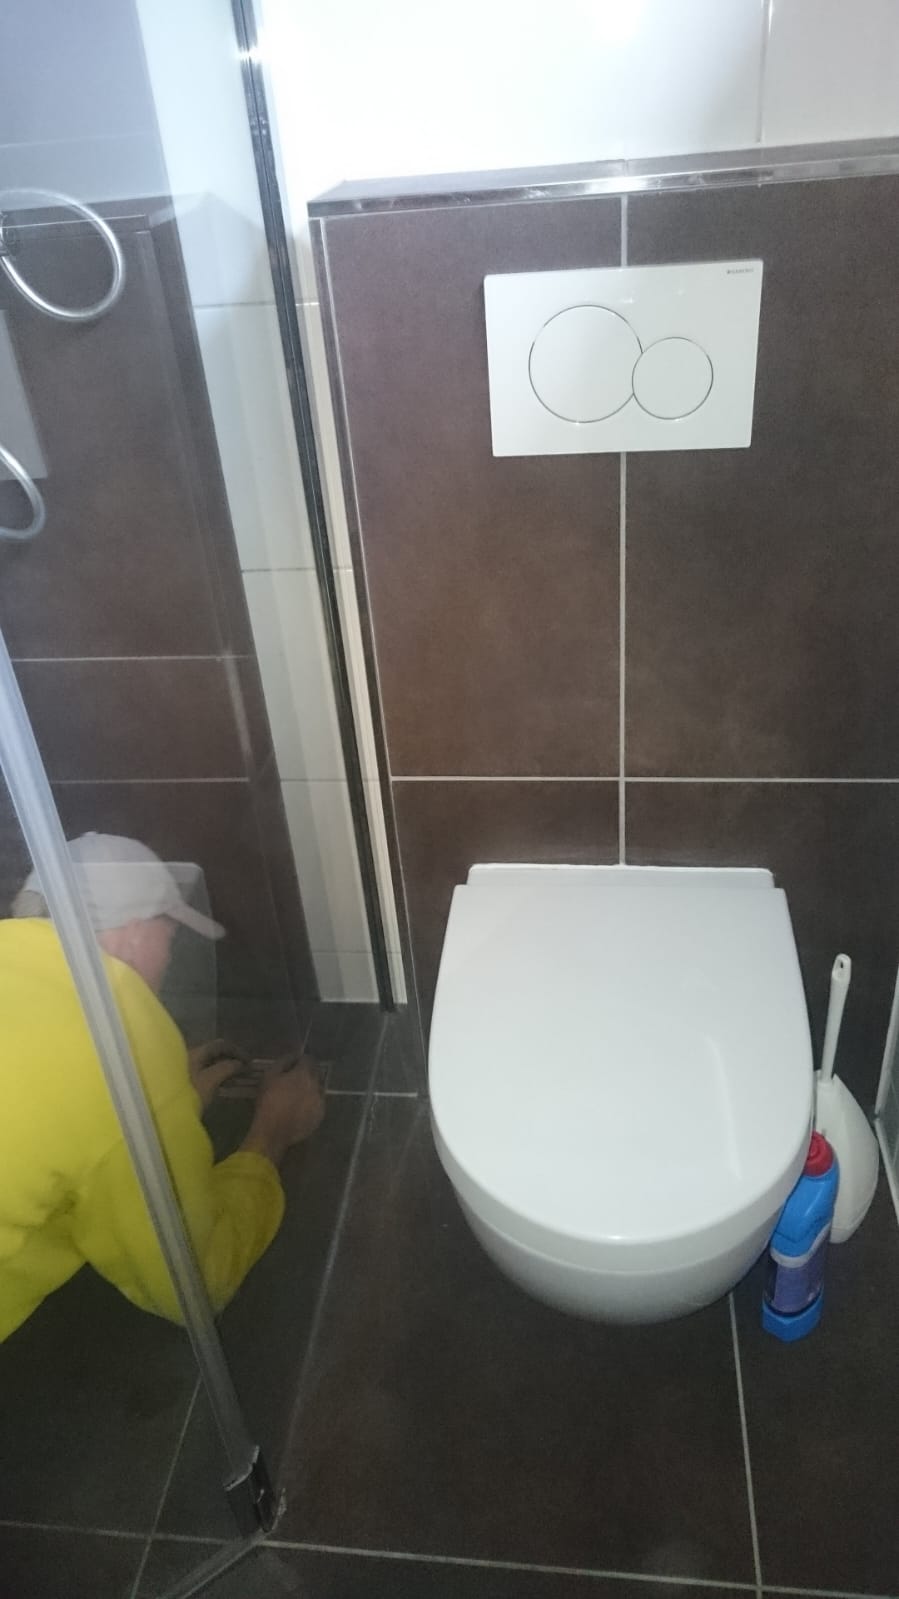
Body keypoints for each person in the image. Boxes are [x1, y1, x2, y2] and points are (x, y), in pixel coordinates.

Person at [0, 832, 324, 1341]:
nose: (170, 956)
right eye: (168, 935)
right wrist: (272, 1133)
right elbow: (192, 1284)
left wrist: (165, 1105)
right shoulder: (120, 1037)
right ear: (132, 934)